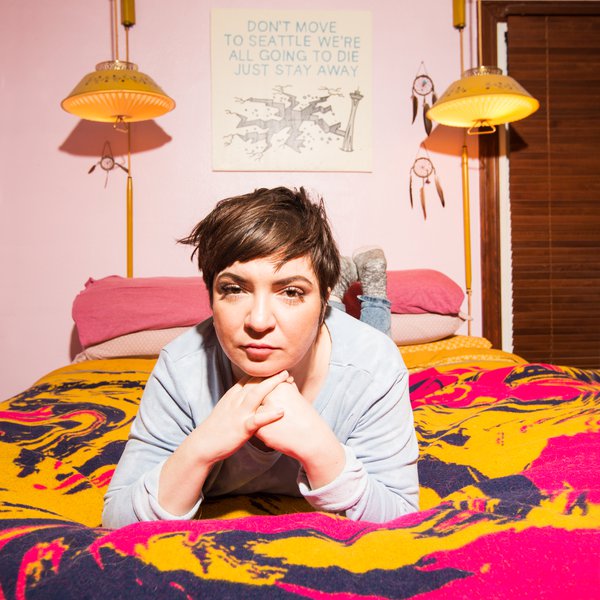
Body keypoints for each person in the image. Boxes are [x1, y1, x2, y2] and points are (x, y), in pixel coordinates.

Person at [102, 187, 419, 528]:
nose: (258, 321)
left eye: (291, 292)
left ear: (322, 300)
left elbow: (402, 517)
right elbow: (116, 520)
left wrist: (321, 451)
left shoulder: (374, 364)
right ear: (210, 296)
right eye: (234, 289)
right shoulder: (181, 367)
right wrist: (200, 448)